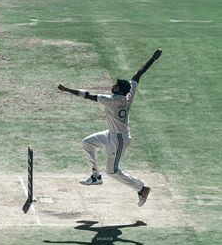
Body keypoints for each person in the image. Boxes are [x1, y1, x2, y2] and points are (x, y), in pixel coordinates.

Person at [58, 48, 162, 206]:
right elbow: (138, 74)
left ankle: (141, 188)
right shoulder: (129, 94)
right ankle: (95, 176)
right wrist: (153, 59)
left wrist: (67, 90)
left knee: (112, 171)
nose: (113, 86)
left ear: (119, 91)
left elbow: (88, 95)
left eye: (116, 86)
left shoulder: (112, 100)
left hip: (119, 139)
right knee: (87, 142)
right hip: (112, 134)